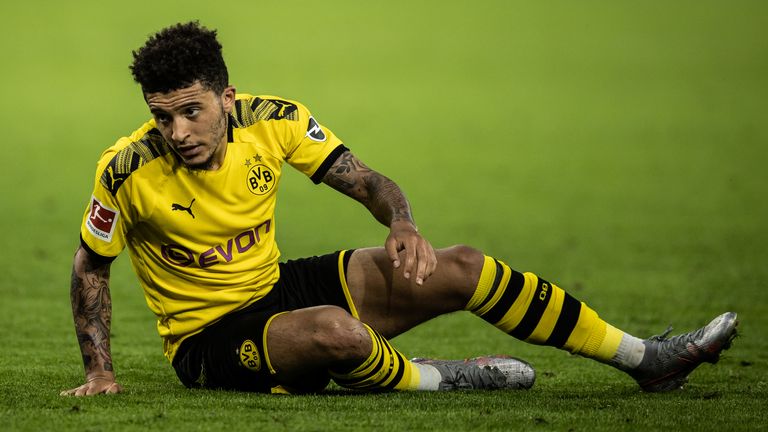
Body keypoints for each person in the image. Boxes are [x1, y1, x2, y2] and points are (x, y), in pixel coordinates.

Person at [61, 21, 738, 397]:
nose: (178, 132)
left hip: (275, 287)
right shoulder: (124, 169)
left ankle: (647, 358)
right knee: (337, 332)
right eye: (162, 117)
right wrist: (101, 372)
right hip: (208, 338)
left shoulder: (277, 121)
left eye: (191, 111)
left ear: (227, 97)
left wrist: (402, 223)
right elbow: (90, 269)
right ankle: (443, 380)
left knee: (462, 267)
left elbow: (369, 182)